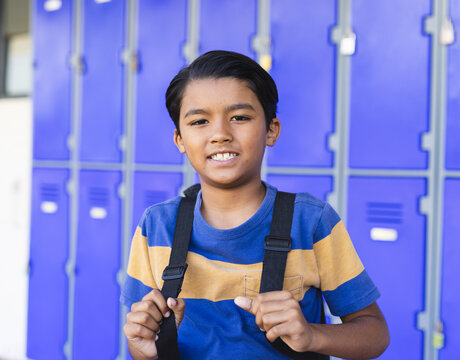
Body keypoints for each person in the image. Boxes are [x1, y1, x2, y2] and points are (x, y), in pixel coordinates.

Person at [121, 50, 389, 359]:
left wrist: (310, 334)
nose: (220, 134)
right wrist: (143, 350)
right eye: (199, 121)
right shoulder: (156, 226)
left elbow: (375, 333)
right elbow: (142, 343)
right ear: (180, 139)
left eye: (239, 117)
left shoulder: (311, 221)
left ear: (271, 130)